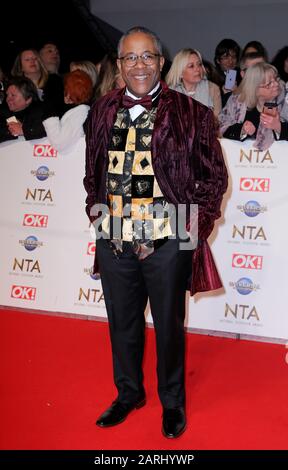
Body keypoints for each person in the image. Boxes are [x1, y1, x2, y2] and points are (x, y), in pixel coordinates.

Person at [84, 26, 228, 438]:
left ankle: (172, 402)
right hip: (113, 235)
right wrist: (96, 217)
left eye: (147, 56)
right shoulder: (101, 111)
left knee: (168, 325)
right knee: (122, 323)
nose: (139, 65)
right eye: (130, 57)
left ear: (161, 63)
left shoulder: (192, 113)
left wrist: (192, 228)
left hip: (168, 237)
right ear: (119, 64)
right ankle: (128, 394)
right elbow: (92, 172)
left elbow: (213, 178)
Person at [219, 62, 288, 150]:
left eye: (276, 79)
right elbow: (221, 129)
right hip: (241, 160)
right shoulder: (236, 102)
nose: (276, 84)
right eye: (269, 83)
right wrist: (242, 130)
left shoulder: (285, 100)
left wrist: (278, 126)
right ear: (255, 87)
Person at [43, 70, 93, 152]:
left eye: (65, 89)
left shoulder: (81, 112)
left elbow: (58, 142)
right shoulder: (78, 110)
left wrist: (49, 114)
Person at [166, 48, 221, 117]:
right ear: (180, 73)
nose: (197, 69)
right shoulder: (170, 93)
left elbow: (217, 121)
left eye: (199, 64)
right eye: (191, 66)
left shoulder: (213, 89)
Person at [0, 76, 47, 143]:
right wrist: (11, 130)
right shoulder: (3, 112)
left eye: (13, 95)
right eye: (7, 95)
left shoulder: (42, 111)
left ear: (28, 99)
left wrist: (23, 130)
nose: (8, 99)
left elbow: (49, 128)